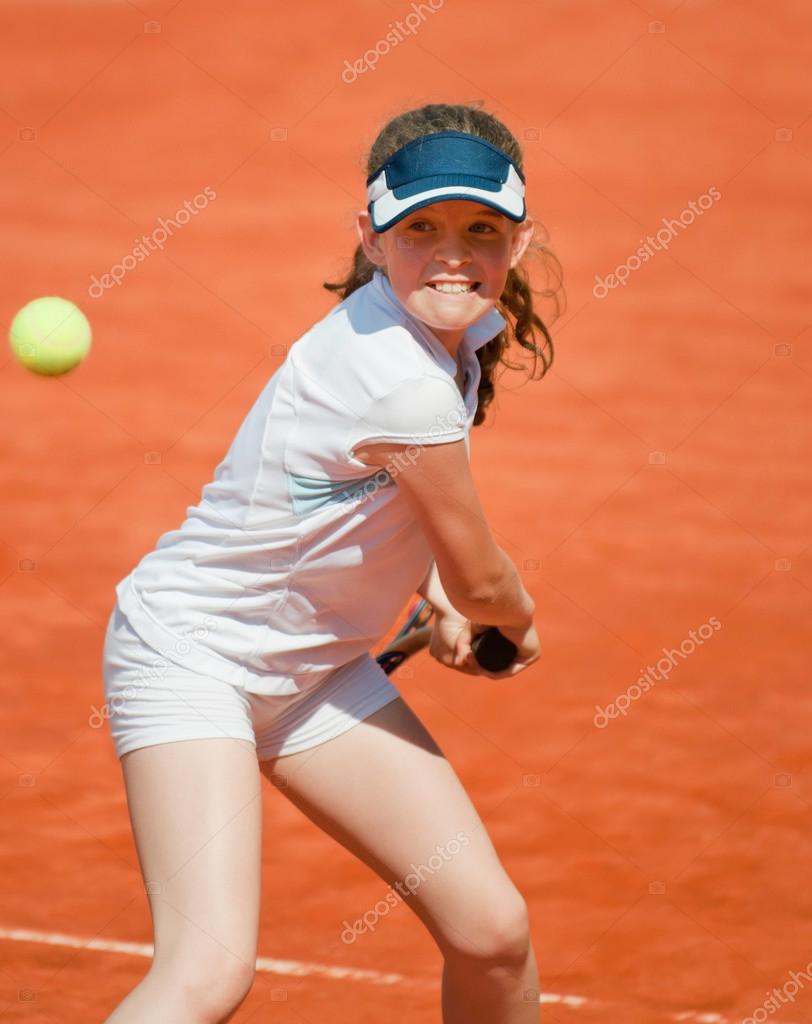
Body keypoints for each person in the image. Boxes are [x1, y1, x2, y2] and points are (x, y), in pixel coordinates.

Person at [101, 101, 561, 1023]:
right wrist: (503, 616)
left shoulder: (440, 340)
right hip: (193, 661)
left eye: (480, 230)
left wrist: (442, 597)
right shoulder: (398, 376)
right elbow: (483, 579)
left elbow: (388, 509)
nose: (452, 255)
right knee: (206, 972)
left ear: (518, 239)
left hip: (314, 677)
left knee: (491, 933)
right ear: (370, 235)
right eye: (420, 229)